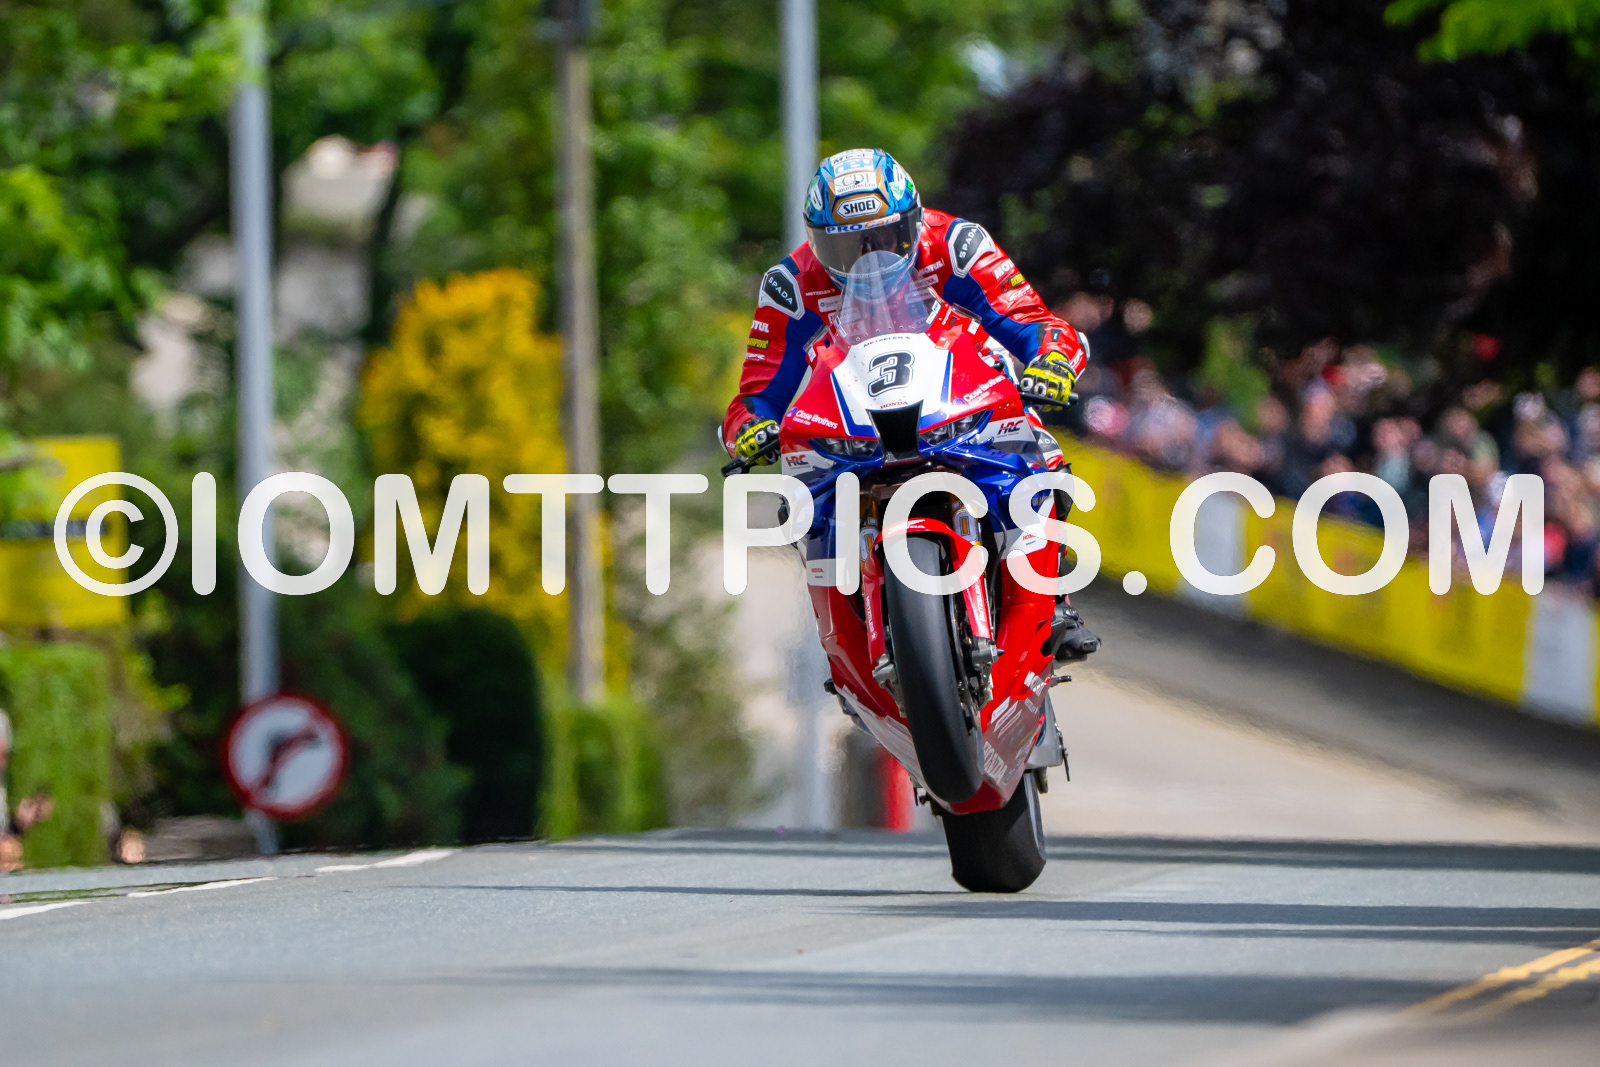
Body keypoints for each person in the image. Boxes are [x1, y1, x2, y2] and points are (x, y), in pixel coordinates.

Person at [721, 148, 1099, 659]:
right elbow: (758, 393)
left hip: (958, 393)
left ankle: (1054, 599)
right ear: (815, 241)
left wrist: (1051, 362)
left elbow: (1030, 319)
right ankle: (845, 641)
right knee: (800, 502)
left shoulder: (957, 245)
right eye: (845, 246)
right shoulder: (790, 285)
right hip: (855, 420)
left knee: (1039, 446)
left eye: (884, 239)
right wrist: (750, 428)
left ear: (913, 222)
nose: (868, 258)